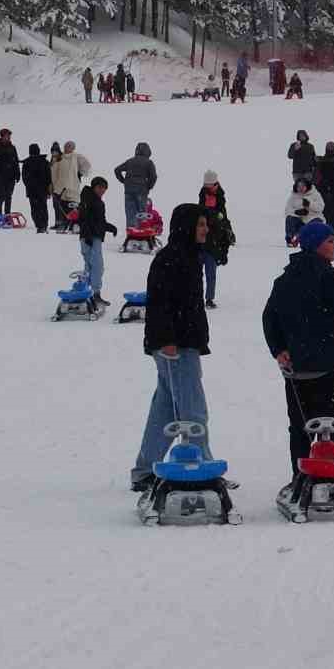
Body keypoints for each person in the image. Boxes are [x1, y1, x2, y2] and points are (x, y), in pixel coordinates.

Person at [262, 220, 334, 483]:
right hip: (326, 364)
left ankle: (301, 477)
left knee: (300, 427)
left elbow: (269, 318)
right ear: (315, 245)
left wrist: (278, 349)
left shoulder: (284, 279)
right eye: (330, 241)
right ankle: (333, 474)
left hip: (297, 368)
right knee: (331, 423)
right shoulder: (326, 275)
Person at [129, 204, 216, 491]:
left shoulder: (190, 256)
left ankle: (144, 470)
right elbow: (160, 302)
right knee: (193, 409)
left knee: (165, 410)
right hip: (175, 346)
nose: (205, 229)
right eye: (200, 224)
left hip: (182, 342)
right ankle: (200, 467)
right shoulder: (171, 258)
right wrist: (166, 341)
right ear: (187, 226)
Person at [78, 177, 117, 305]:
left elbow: (99, 221)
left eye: (104, 188)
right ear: (94, 187)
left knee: (91, 266)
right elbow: (84, 219)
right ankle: (93, 294)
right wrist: (88, 235)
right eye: (100, 187)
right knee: (96, 266)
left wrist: (110, 227)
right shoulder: (88, 200)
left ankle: (87, 293)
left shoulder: (97, 201)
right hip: (90, 237)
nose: (102, 190)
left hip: (95, 237)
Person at [197, 170, 232, 308]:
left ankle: (209, 299)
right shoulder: (202, 195)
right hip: (201, 242)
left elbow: (222, 219)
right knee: (196, 273)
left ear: (215, 183)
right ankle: (196, 296)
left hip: (213, 243)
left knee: (210, 274)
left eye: (209, 185)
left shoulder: (220, 198)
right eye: (205, 185)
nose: (207, 187)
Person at [114, 142, 158, 231]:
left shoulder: (130, 161)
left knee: (130, 213)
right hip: (142, 190)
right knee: (142, 214)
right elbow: (153, 177)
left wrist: (124, 181)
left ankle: (131, 235)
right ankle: (142, 236)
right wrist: (148, 187)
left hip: (128, 190)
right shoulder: (148, 162)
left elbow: (117, 170)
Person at [51, 140, 91, 231]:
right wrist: (53, 184)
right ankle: (63, 223)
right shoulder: (59, 157)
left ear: (73, 148)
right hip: (60, 186)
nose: (67, 148)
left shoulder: (76, 157)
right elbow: (53, 171)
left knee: (73, 206)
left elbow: (86, 165)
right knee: (61, 206)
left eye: (69, 146)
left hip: (73, 185)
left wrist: (80, 173)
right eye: (66, 146)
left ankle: (74, 224)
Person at [21, 143, 52, 233]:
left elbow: (25, 178)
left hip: (32, 191)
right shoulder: (45, 162)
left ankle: (39, 225)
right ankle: (44, 225)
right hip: (43, 190)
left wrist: (29, 186)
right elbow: (49, 177)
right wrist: (48, 189)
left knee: (35, 208)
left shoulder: (27, 163)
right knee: (43, 207)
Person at [284, 177, 325, 246]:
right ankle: (290, 239)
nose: (300, 188)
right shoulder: (293, 196)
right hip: (300, 220)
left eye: (303, 186)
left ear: (307, 186)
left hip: (312, 219)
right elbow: (288, 210)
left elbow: (321, 207)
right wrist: (296, 212)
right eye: (298, 186)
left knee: (316, 223)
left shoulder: (315, 194)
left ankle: (305, 239)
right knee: (289, 219)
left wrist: (310, 205)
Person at [0, 128, 20, 217]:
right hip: (0, 175)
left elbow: (15, 161)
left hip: (11, 176)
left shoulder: (12, 147)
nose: (9, 137)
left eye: (9, 135)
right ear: (2, 136)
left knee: (9, 196)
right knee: (1, 196)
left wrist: (18, 174)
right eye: (7, 135)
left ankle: (7, 215)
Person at [316, 142, 334, 235]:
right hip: (323, 188)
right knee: (326, 212)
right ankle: (328, 232)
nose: (330, 149)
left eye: (332, 148)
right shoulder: (321, 160)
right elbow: (317, 175)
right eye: (329, 148)